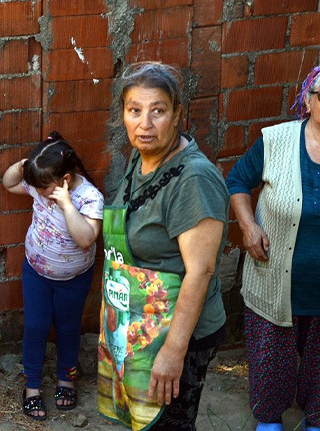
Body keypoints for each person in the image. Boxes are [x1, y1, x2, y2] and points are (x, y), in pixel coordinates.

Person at [226, 56, 320, 431]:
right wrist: (247, 226)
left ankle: (318, 422)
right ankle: (269, 420)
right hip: (273, 277)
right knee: (269, 360)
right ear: (307, 99)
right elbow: (237, 181)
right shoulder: (275, 141)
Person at [98, 61, 229, 431]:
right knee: (141, 422)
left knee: (168, 425)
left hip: (179, 332)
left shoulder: (193, 179)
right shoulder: (140, 158)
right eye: (134, 110)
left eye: (158, 111)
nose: (145, 123)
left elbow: (201, 270)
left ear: (176, 115)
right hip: (142, 325)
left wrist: (174, 351)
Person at [2, 131, 104, 420]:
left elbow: (86, 239)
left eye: (45, 187)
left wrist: (66, 205)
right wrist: (25, 165)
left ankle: (65, 379)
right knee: (35, 327)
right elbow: (8, 184)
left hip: (73, 280)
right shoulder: (40, 185)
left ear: (65, 181)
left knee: (69, 328)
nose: (39, 191)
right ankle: (32, 387)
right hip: (36, 273)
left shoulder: (89, 198)